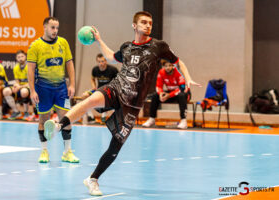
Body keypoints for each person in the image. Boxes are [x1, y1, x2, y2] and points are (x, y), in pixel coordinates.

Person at [44, 11, 200, 196]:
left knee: (115, 146)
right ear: (134, 25)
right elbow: (111, 57)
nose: (148, 25)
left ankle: (92, 179)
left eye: (150, 23)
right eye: (143, 22)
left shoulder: (159, 46)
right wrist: (99, 40)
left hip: (133, 104)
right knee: (90, 100)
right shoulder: (126, 47)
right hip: (117, 88)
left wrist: (187, 78)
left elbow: (178, 62)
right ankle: (58, 126)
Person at [27, 17, 79, 163]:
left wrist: (72, 85)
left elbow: (69, 64)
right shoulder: (35, 46)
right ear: (44, 27)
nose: (55, 31)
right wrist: (32, 90)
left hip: (61, 88)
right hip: (43, 88)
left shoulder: (63, 43)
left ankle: (67, 152)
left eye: (57, 28)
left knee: (67, 119)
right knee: (43, 120)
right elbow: (30, 70)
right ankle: (44, 151)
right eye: (52, 27)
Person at [142, 60, 191, 129]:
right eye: (166, 66)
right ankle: (152, 119)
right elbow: (158, 86)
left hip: (183, 93)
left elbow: (182, 88)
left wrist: (169, 95)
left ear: (173, 66)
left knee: (181, 96)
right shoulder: (161, 72)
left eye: (170, 65)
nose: (167, 67)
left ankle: (183, 121)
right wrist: (161, 93)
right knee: (155, 96)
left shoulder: (178, 72)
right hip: (171, 93)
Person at [80, 53, 118, 123]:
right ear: (97, 62)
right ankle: (91, 117)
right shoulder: (95, 70)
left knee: (115, 101)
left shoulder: (113, 70)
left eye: (103, 61)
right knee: (84, 96)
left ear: (106, 61)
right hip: (98, 91)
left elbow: (118, 81)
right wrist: (93, 86)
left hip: (109, 91)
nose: (101, 63)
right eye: (99, 61)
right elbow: (92, 79)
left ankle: (107, 115)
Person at [3, 50, 31, 120]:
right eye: (18, 57)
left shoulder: (30, 66)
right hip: (20, 87)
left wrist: (19, 87)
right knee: (6, 91)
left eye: (22, 56)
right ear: (16, 58)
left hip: (29, 87)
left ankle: (26, 112)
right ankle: (16, 112)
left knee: (24, 91)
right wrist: (15, 86)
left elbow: (31, 82)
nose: (20, 58)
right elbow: (17, 81)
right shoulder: (16, 68)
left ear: (26, 57)